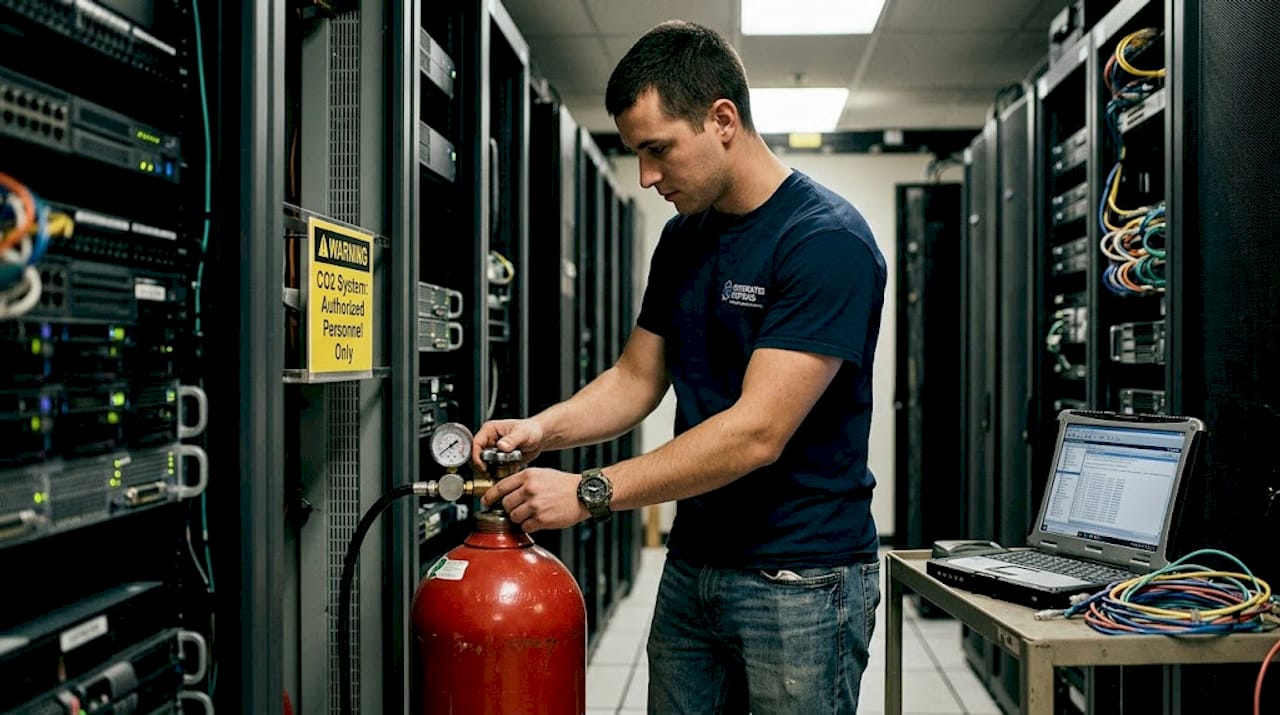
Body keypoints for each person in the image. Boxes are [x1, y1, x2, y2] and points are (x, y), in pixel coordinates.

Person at [472, 19, 887, 715]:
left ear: (722, 119)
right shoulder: (684, 237)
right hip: (696, 564)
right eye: (636, 153)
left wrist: (590, 490)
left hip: (801, 578)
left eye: (658, 149)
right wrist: (542, 429)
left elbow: (756, 432)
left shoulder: (824, 241)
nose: (647, 176)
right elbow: (635, 378)